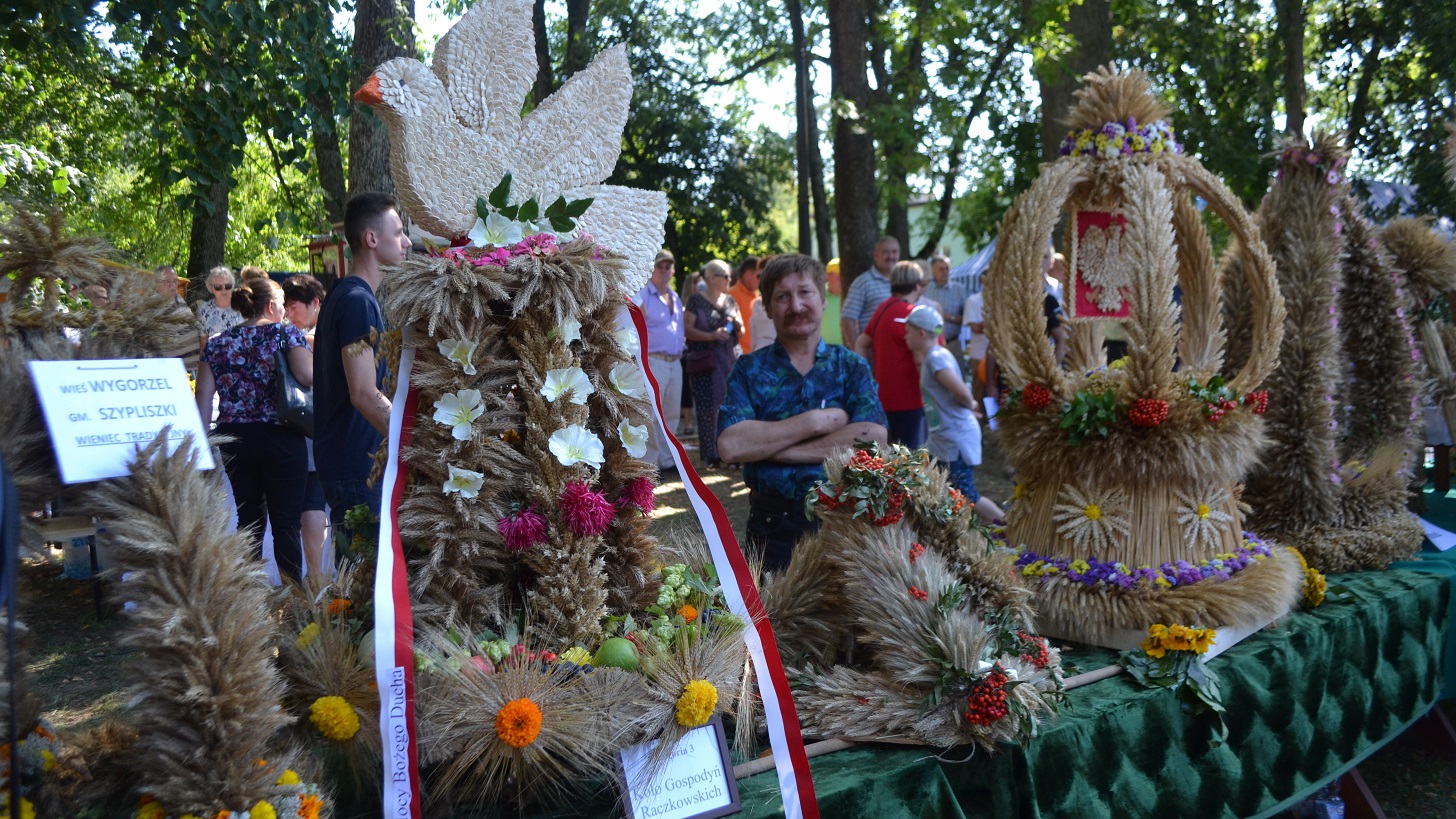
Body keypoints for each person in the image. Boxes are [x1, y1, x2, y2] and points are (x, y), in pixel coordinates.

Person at [719, 254, 888, 573]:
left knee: (844, 623)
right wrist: (815, 422)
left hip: (844, 526)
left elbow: (874, 436)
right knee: (773, 621)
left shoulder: (850, 367)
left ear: (823, 300)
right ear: (767, 308)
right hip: (772, 531)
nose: (795, 306)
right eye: (782, 297)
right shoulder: (749, 371)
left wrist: (773, 448)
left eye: (805, 293)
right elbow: (731, 445)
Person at [194, 278, 313, 583]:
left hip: (234, 439)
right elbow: (306, 375)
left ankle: (249, 600)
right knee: (286, 523)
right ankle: (293, 596)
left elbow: (204, 397)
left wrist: (202, 443)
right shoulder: (284, 333)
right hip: (281, 436)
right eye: (283, 303)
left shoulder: (217, 342)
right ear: (272, 306)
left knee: (248, 521)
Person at [314, 192, 409, 555]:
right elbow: (364, 393)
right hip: (357, 468)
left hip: (351, 464)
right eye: (398, 232)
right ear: (372, 239)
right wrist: (412, 442)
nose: (407, 242)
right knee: (363, 589)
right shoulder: (356, 301)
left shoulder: (348, 296)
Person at [901, 304, 1005, 522]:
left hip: (954, 438)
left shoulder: (936, 359)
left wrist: (972, 406)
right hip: (944, 437)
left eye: (908, 331)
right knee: (938, 488)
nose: (905, 336)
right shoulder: (936, 355)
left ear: (921, 333)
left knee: (967, 494)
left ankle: (1007, 525)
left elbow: (962, 393)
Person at [854, 261, 929, 449]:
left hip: (883, 399)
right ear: (917, 285)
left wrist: (867, 377)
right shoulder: (916, 316)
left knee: (889, 460)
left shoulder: (882, 310)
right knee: (909, 461)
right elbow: (923, 359)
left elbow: (861, 342)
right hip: (911, 401)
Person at [283, 274, 329, 578]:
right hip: (308, 427)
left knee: (313, 502)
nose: (289, 313)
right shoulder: (297, 333)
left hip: (318, 425)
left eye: (294, 306)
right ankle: (318, 576)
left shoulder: (312, 334)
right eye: (285, 306)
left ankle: (317, 576)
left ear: (315, 303)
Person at [684, 260, 742, 469]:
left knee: (732, 406)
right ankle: (712, 454)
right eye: (725, 276)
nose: (729, 280)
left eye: (729, 276)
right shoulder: (695, 301)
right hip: (706, 363)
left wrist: (735, 323)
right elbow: (688, 330)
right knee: (708, 408)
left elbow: (741, 330)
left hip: (729, 360)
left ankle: (734, 453)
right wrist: (710, 335)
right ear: (711, 278)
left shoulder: (731, 301)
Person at [637, 249, 686, 473]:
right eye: (660, 266)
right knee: (653, 413)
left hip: (675, 362)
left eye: (668, 266)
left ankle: (667, 461)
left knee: (671, 413)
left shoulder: (674, 296)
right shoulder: (643, 295)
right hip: (653, 360)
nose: (665, 270)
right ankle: (651, 463)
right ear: (651, 269)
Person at [839, 236, 900, 345]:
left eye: (894, 252)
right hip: (873, 354)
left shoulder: (904, 281)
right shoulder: (863, 282)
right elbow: (848, 319)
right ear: (876, 255)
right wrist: (857, 351)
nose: (891, 256)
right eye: (885, 252)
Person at [922, 255, 966, 353]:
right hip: (929, 344)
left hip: (953, 344)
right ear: (932, 271)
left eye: (947, 268)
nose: (945, 272)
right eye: (941, 269)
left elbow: (967, 319)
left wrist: (948, 317)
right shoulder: (925, 289)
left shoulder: (959, 290)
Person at [196, 266, 244, 339]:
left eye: (228, 286)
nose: (223, 291)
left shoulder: (243, 305)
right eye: (218, 287)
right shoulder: (204, 310)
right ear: (211, 288)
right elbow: (204, 341)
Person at [729, 256, 760, 355]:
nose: (762, 280)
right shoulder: (732, 295)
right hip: (739, 357)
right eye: (759, 276)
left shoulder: (756, 295)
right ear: (747, 275)